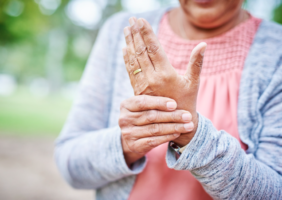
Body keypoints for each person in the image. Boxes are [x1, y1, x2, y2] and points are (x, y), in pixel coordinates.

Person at [55, 0, 282, 199]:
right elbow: (70, 165)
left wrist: (191, 134)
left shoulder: (275, 51)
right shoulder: (121, 32)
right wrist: (126, 144)